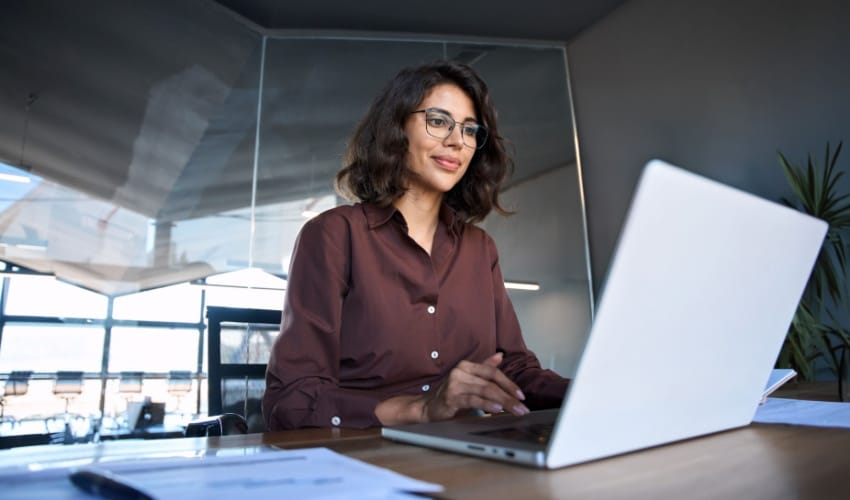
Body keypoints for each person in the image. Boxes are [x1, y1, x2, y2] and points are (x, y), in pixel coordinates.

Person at [262, 60, 568, 430]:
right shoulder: (334, 235)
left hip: (468, 452)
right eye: (438, 121)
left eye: (470, 130)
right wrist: (418, 409)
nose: (457, 141)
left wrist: (592, 391)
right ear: (396, 129)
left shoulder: (479, 248)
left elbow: (515, 370)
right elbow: (291, 399)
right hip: (365, 454)